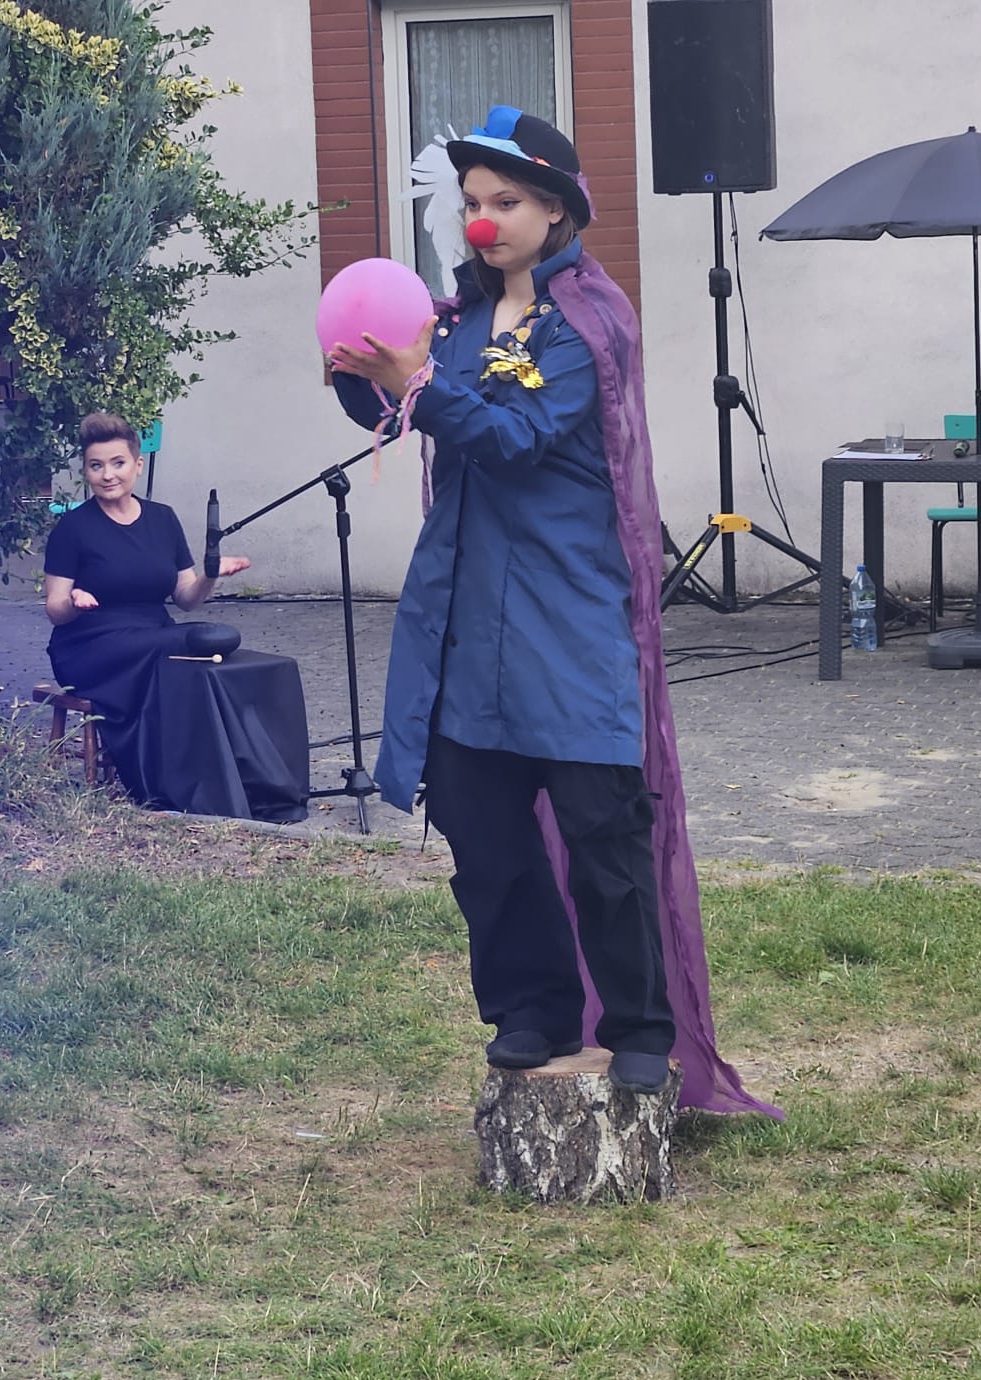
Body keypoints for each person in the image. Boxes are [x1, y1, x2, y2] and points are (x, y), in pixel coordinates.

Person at [327, 105, 772, 1115]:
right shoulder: (455, 322)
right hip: (467, 628)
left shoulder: (588, 325)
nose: (483, 219)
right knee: (483, 838)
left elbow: (516, 436)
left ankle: (639, 1029)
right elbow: (405, 407)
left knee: (603, 841)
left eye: (506, 201)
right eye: (472, 201)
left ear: (556, 212)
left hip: (568, 626)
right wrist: (363, 379)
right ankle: (529, 1010)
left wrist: (417, 383)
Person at [42, 411, 249, 799]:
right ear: (86, 471)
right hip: (90, 645)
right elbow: (54, 609)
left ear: (137, 465)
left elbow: (186, 599)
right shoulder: (73, 528)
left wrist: (209, 575)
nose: (108, 475)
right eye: (96, 466)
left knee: (216, 647)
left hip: (154, 634)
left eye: (118, 463)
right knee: (189, 643)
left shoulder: (163, 519)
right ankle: (168, 784)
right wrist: (74, 602)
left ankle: (227, 776)